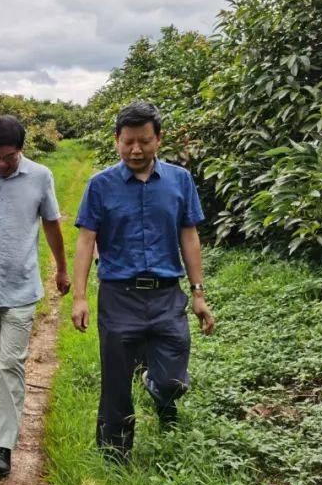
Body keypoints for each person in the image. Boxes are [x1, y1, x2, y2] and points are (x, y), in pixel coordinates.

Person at [71, 101, 215, 463]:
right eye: (129, 141)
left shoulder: (180, 180)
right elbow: (86, 241)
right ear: (117, 141)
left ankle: (157, 388)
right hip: (119, 296)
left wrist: (198, 293)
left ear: (158, 140)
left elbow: (189, 235)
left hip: (167, 295)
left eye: (145, 141)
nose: (137, 150)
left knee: (173, 377)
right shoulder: (100, 185)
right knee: (116, 379)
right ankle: (115, 455)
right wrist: (79, 297)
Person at [0, 115, 70, 477]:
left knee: (11, 362)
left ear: (22, 150)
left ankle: (4, 445)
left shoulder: (40, 177)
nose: (2, 164)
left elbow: (51, 223)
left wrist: (62, 268)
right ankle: (4, 407)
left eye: (10, 157)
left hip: (21, 287)